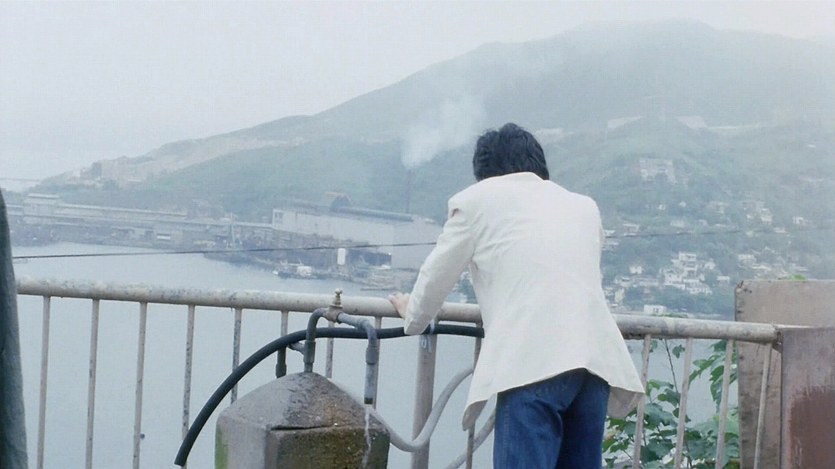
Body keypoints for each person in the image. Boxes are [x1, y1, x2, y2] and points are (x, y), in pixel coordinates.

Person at [389, 123, 644, 468]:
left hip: (533, 362)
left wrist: (413, 316)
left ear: (486, 174)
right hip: (593, 366)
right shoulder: (583, 207)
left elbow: (435, 276)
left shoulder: (476, 201)